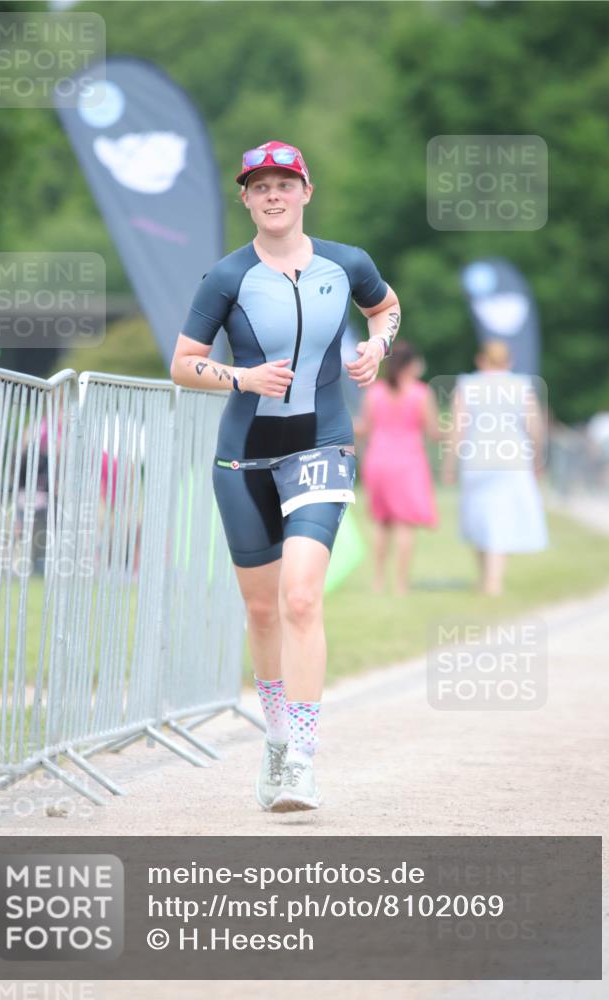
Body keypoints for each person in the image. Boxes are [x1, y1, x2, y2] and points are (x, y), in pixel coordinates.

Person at [170, 141, 400, 811]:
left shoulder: (347, 263)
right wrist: (239, 376)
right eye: (260, 185)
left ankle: (301, 757)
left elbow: (384, 307)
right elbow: (184, 363)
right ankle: (273, 740)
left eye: (285, 183)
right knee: (263, 609)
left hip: (321, 445)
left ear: (306, 191)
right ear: (244, 198)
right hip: (243, 456)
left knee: (302, 598)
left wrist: (379, 345)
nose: (273, 194)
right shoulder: (226, 277)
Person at [442, 339, 548, 596]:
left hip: (476, 459)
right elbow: (535, 428)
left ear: (481, 360)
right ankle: (493, 580)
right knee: (503, 518)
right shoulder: (522, 386)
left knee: (480, 516)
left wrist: (449, 464)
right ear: (508, 361)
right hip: (513, 460)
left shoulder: (467, 385)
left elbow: (457, 428)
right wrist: (538, 459)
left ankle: (486, 578)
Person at [356, 340, 439, 592]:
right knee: (405, 525)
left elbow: (364, 428)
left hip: (378, 460)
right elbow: (433, 431)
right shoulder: (421, 392)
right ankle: (401, 583)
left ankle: (378, 580)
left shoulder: (375, 391)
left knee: (382, 523)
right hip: (408, 462)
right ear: (411, 364)